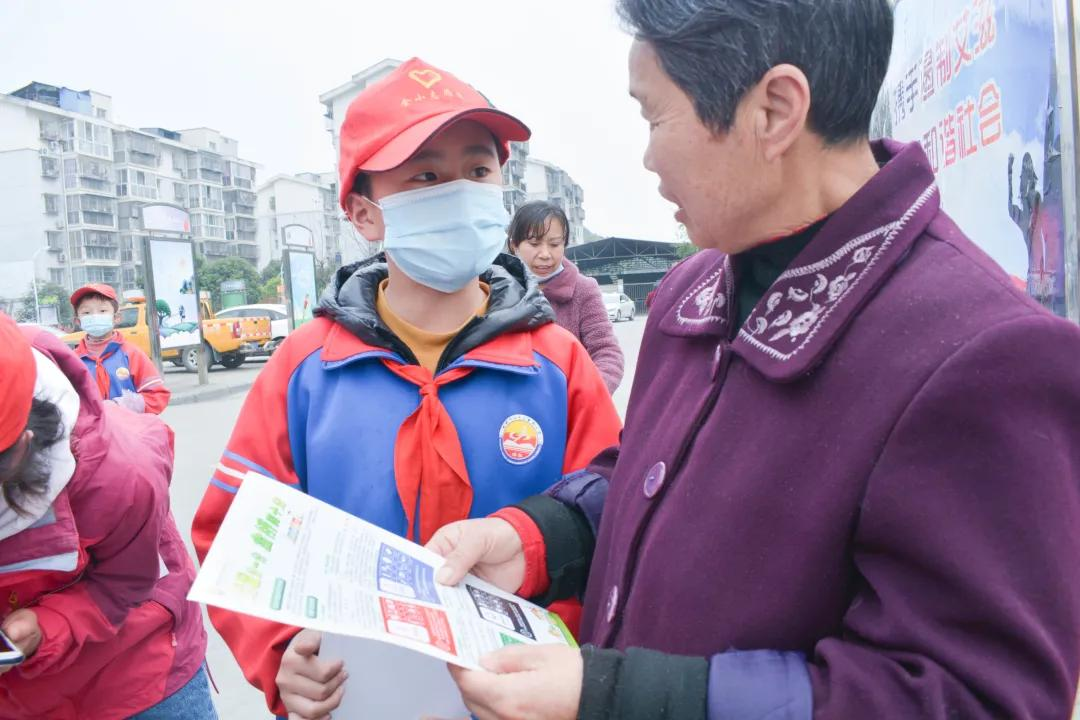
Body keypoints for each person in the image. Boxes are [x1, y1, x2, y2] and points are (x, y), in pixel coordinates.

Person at [427, 2, 1080, 718]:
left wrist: (622, 700)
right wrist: (534, 538)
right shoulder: (693, 289)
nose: (647, 157)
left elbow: (970, 697)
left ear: (774, 110)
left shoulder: (982, 356)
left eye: (654, 118)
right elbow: (652, 477)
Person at [190, 57, 621, 720]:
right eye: (425, 174)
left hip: (522, 703)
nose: (459, 190)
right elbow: (232, 539)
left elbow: (614, 529)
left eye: (478, 171)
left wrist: (566, 660)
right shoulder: (306, 369)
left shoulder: (556, 365)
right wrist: (280, 659)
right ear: (365, 213)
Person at [0, 314, 212, 719]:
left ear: (21, 449)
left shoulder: (118, 476)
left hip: (137, 676)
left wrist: (52, 623)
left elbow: (124, 582)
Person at [508, 201, 624, 392]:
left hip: (570, 408)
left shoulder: (583, 290)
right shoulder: (495, 289)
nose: (545, 254)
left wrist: (585, 396)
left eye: (554, 244)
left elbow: (607, 352)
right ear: (514, 245)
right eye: (534, 243)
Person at [71, 283, 171, 414]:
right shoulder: (71, 360)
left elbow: (157, 396)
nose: (95, 316)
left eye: (102, 311)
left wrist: (121, 406)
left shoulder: (132, 354)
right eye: (86, 312)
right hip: (89, 433)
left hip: (129, 431)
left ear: (116, 317)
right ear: (78, 321)